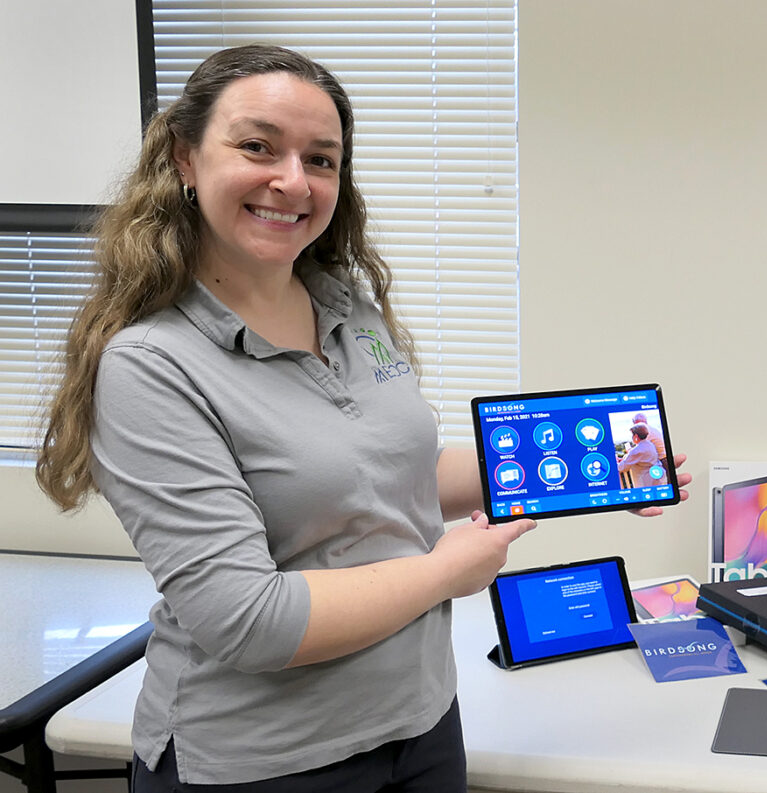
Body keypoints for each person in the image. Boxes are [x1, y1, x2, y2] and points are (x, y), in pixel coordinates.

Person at [34, 44, 689, 792]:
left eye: (321, 159)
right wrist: (444, 571)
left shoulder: (347, 307)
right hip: (267, 763)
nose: (292, 180)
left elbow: (395, 472)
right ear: (184, 158)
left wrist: (594, 470)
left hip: (419, 722)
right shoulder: (152, 365)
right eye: (257, 146)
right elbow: (250, 619)